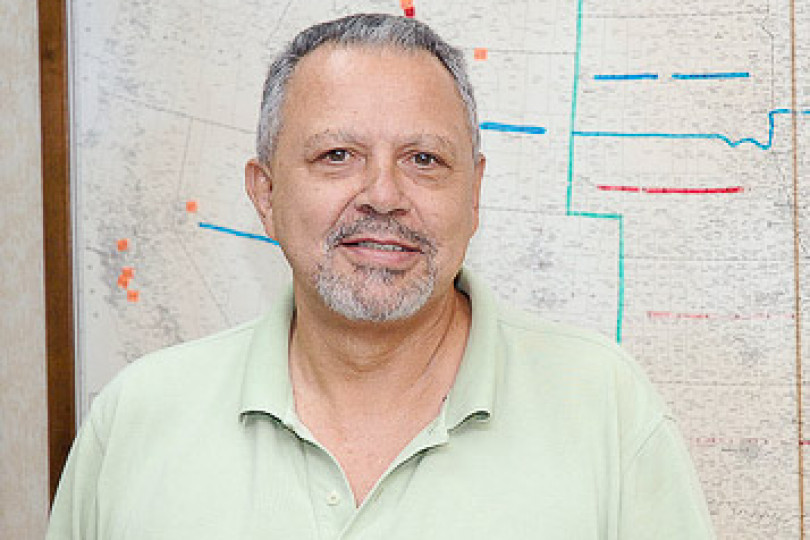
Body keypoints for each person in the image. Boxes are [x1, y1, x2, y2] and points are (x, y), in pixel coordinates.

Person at [47, 13, 715, 539]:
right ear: (265, 193)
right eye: (338, 155)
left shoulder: (606, 410)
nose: (384, 196)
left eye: (424, 159)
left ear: (474, 194)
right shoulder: (135, 422)